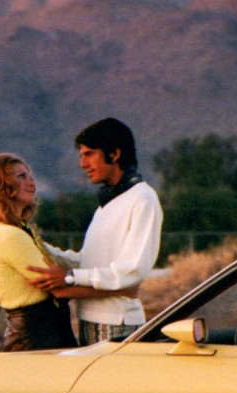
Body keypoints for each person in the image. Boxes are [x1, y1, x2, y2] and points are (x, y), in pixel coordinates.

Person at [28, 118, 163, 344]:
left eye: (89, 154)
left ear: (115, 154)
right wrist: (35, 246)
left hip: (117, 323)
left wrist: (70, 277)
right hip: (89, 320)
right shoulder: (107, 203)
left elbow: (132, 271)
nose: (82, 164)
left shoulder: (143, 198)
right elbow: (89, 262)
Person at [0, 153, 77, 352]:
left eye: (30, 176)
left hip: (44, 333)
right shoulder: (7, 234)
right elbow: (57, 286)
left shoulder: (16, 230)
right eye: (21, 177)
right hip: (35, 338)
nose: (31, 183)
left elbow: (61, 261)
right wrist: (117, 290)